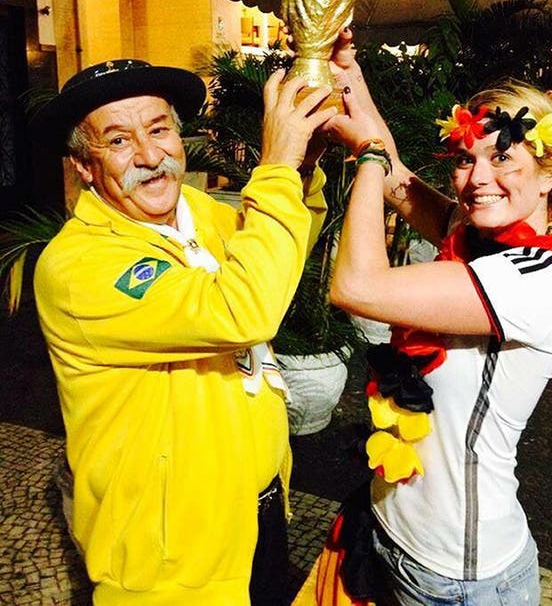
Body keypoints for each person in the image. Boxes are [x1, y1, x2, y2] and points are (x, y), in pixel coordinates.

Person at [33, 57, 338, 605]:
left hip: (258, 508)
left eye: (159, 129)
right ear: (84, 166)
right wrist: (274, 168)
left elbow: (276, 255)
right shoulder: (80, 267)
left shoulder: (197, 211)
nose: (150, 156)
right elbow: (245, 308)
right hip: (170, 555)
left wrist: (301, 170)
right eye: (119, 141)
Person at [321, 40, 552, 605]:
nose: (477, 179)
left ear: (548, 176)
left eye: (502, 158)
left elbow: (356, 285)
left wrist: (368, 157)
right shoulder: (476, 238)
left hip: (458, 576)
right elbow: (402, 183)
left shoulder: (541, 275)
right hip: (391, 531)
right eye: (466, 160)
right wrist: (349, 75)